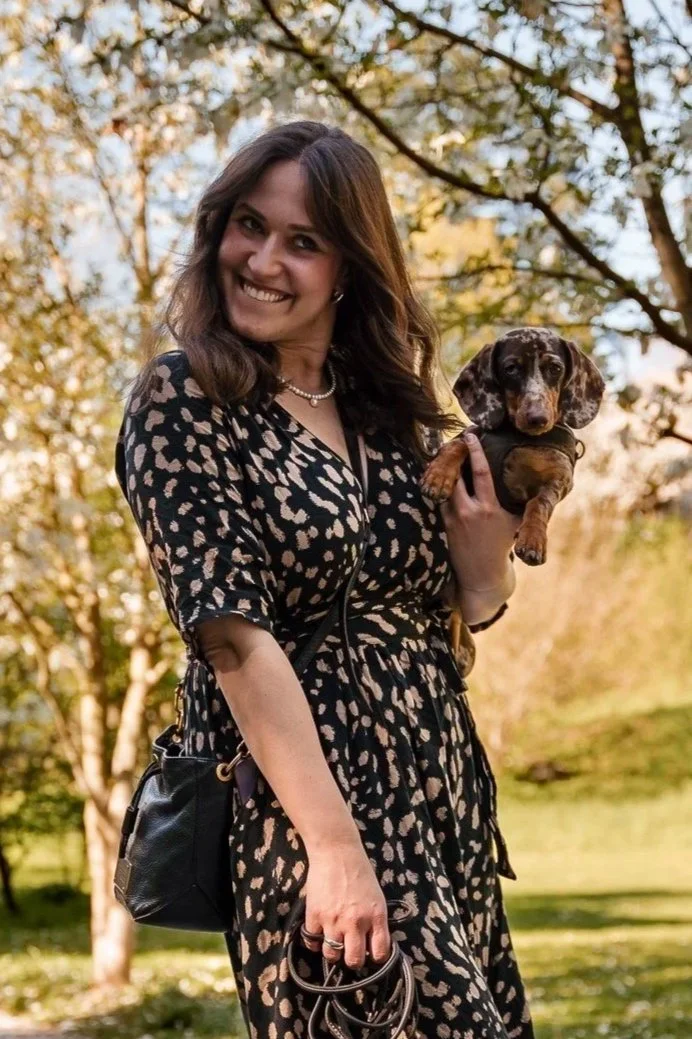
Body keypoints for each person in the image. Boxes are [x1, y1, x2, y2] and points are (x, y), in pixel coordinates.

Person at [116, 121, 533, 1039]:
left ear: (350, 266)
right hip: (306, 813)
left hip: (441, 795)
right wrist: (335, 846)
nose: (263, 259)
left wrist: (483, 569)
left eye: (303, 241)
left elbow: (456, 619)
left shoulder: (393, 413)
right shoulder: (187, 400)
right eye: (247, 226)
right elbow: (231, 633)